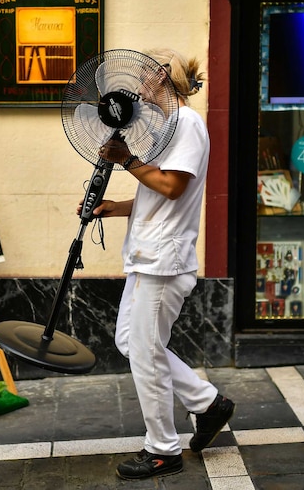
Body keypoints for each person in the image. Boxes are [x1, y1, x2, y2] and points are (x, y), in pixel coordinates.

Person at [82, 48, 235, 480]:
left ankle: (163, 450)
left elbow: (171, 186)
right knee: (132, 342)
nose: (140, 78)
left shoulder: (187, 123)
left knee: (146, 351)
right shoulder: (169, 126)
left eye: (148, 70)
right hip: (148, 255)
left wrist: (126, 160)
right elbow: (159, 192)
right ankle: (207, 403)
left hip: (164, 261)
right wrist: (114, 208)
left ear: (163, 76)